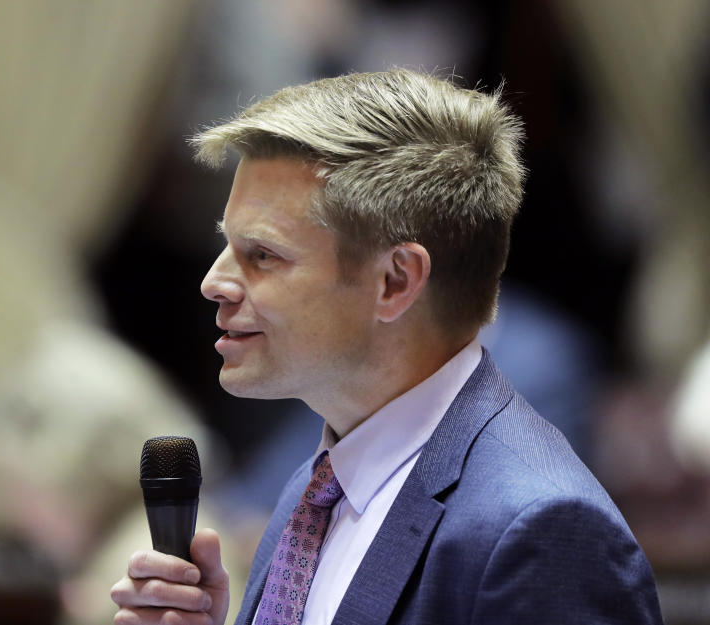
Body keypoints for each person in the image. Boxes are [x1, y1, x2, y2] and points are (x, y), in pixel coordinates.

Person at [110, 70, 663, 625]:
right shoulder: (312, 492)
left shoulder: (541, 529)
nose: (214, 281)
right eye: (227, 244)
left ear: (395, 281)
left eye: (262, 254)